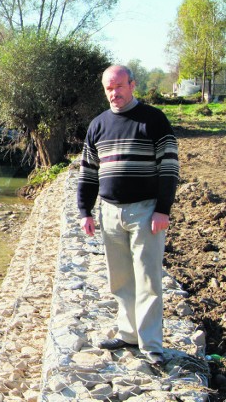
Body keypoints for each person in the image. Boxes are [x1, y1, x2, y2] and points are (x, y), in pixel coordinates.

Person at [77, 65, 179, 367]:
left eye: (119, 86)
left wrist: (163, 209)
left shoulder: (154, 120)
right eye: (109, 88)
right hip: (109, 212)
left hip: (146, 210)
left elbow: (169, 168)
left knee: (148, 278)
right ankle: (128, 333)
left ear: (132, 85)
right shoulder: (98, 124)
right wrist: (85, 210)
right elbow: (88, 171)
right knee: (120, 278)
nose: (114, 93)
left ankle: (151, 345)